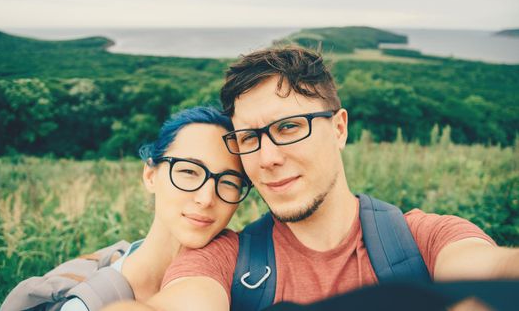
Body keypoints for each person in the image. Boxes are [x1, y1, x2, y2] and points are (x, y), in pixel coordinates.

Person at [104, 47, 519, 311]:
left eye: (288, 128)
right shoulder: (225, 260)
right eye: (249, 138)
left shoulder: (422, 240)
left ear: (339, 129)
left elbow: (493, 269)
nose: (267, 158)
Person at [1, 106, 251, 311]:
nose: (206, 198)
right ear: (150, 175)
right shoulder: (87, 304)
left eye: (229, 182)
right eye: (188, 171)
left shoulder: (251, 279)